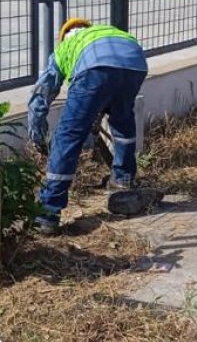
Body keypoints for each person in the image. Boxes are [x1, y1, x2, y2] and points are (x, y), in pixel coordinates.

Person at [26, 17, 147, 233]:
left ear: (64, 37)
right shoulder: (107, 31)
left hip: (95, 69)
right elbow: (114, 74)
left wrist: (37, 135)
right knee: (122, 121)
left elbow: (41, 95)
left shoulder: (65, 48)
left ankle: (48, 211)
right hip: (134, 63)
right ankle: (123, 180)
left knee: (68, 136)